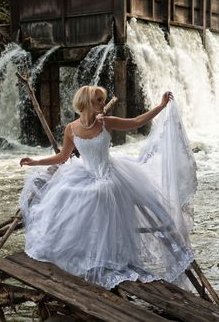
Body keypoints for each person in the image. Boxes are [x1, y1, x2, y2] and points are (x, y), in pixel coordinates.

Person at [19, 85, 197, 290]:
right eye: (98, 100)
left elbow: (136, 121)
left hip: (110, 175)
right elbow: (62, 157)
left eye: (103, 100)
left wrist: (161, 105)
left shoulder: (106, 123)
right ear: (85, 102)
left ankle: (110, 259)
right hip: (84, 174)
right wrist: (35, 161)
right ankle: (82, 257)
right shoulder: (71, 129)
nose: (103, 104)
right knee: (68, 196)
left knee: (101, 194)